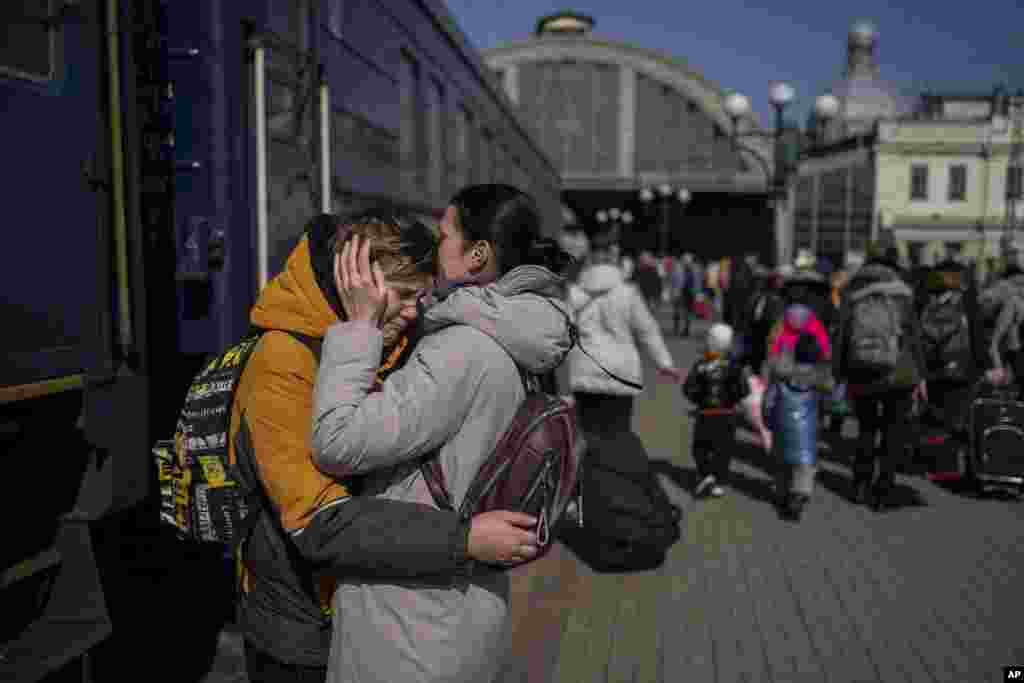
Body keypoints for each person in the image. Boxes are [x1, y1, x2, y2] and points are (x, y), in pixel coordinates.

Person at [230, 211, 539, 683]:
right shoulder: (281, 362)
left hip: (366, 614)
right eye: (405, 295)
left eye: (424, 296)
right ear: (359, 282)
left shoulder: (390, 338)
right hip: (302, 627)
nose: (417, 311)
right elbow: (321, 524)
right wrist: (465, 539)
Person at [309, 185, 575, 683]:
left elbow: (337, 440)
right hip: (461, 608)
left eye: (446, 233)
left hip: (410, 622)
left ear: (478, 255)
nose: (436, 244)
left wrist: (360, 327)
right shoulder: (515, 339)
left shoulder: (462, 350)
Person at [833, 241, 928, 510]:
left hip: (861, 370)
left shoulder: (852, 289)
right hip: (900, 372)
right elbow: (914, 337)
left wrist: (838, 373)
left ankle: (860, 485)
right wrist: (920, 376)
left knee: (866, 429)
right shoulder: (903, 293)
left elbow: (841, 335)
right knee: (892, 432)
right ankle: (883, 488)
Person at [565, 229, 685, 438]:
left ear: (590, 257)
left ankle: (589, 470)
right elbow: (647, 330)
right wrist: (664, 363)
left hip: (583, 368)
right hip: (620, 372)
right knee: (618, 434)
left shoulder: (573, 292)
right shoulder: (628, 292)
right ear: (613, 257)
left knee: (587, 435)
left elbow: (560, 330)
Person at [763, 306, 834, 521]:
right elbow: (829, 401)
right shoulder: (819, 381)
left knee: (782, 462)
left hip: (783, 428)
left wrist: (768, 420)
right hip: (808, 431)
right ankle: (799, 495)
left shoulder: (781, 377)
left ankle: (781, 492)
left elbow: (769, 402)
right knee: (805, 465)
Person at [683, 323, 749, 498]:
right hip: (727, 415)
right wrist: (733, 399)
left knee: (701, 447)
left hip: (706, 414)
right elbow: (743, 389)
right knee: (723, 449)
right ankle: (718, 481)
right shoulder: (735, 366)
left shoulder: (701, 366)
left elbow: (688, 389)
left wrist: (699, 399)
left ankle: (707, 474)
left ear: (711, 342)